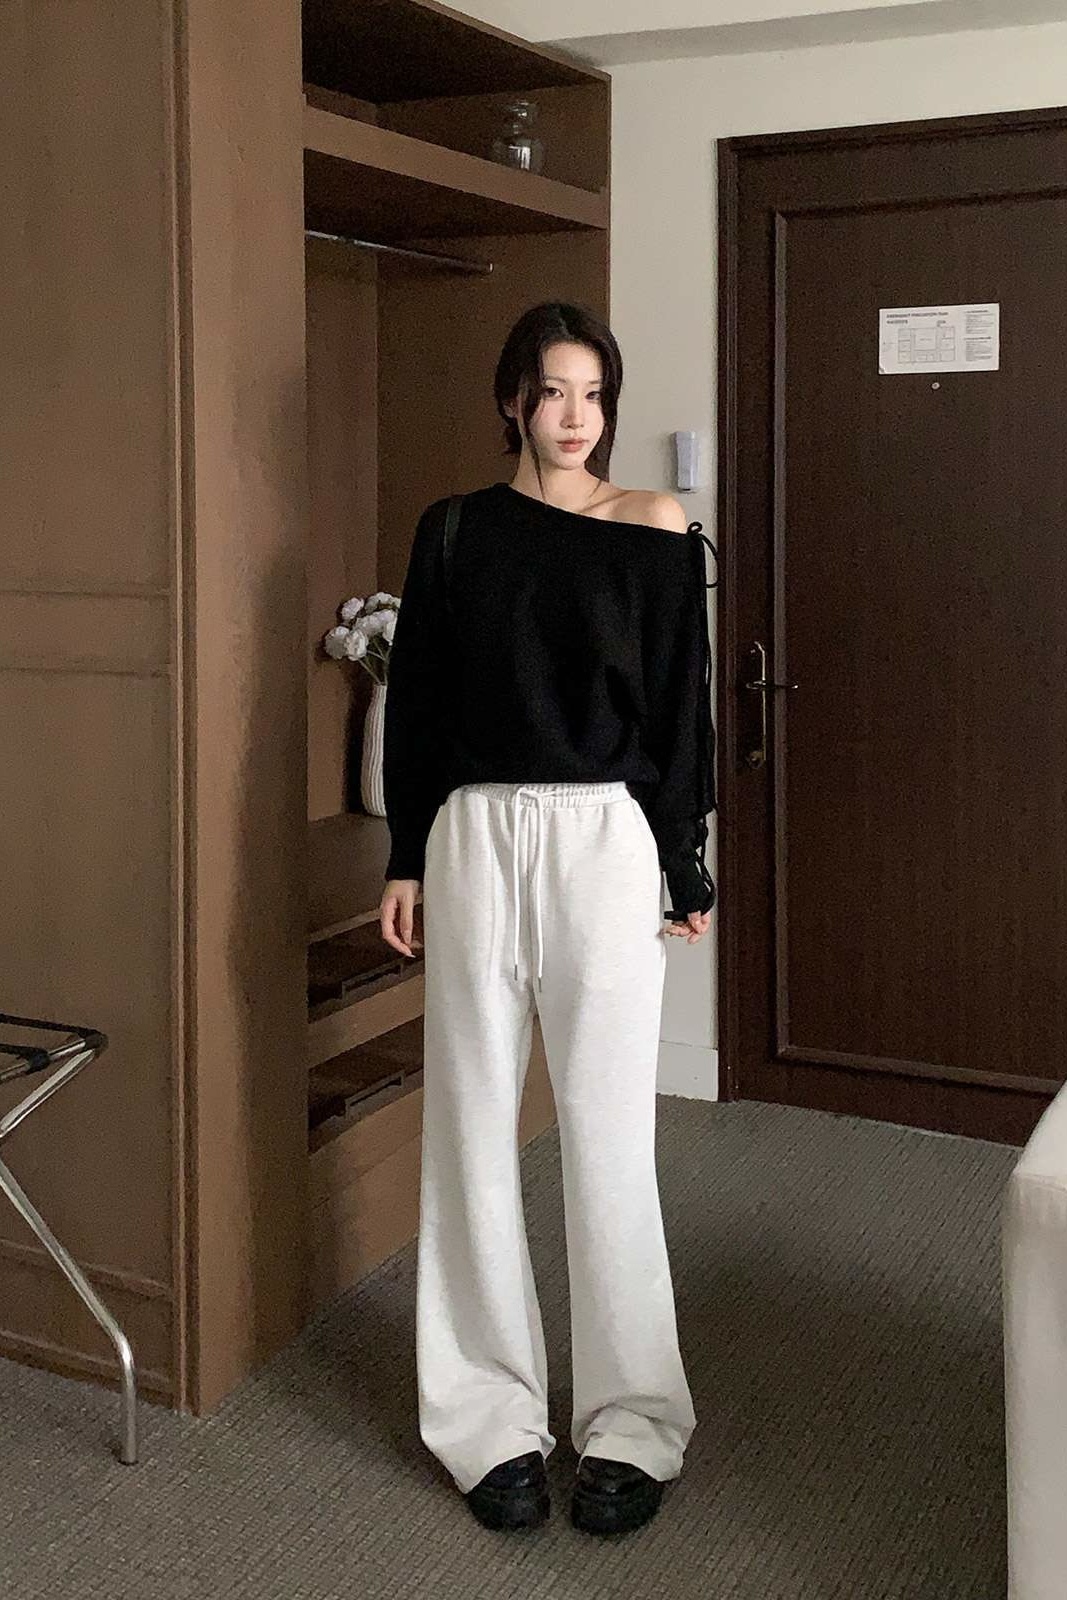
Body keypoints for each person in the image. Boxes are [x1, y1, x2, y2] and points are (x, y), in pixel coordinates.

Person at [379, 301, 716, 1537]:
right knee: (468, 1127)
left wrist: (683, 863)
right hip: (472, 835)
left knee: (607, 1136)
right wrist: (406, 853)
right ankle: (486, 1421)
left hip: (601, 841)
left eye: (593, 392)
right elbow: (416, 703)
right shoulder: (453, 531)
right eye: (553, 391)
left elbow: (679, 711)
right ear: (512, 400)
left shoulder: (654, 527)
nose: (576, 417)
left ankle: (631, 1423)